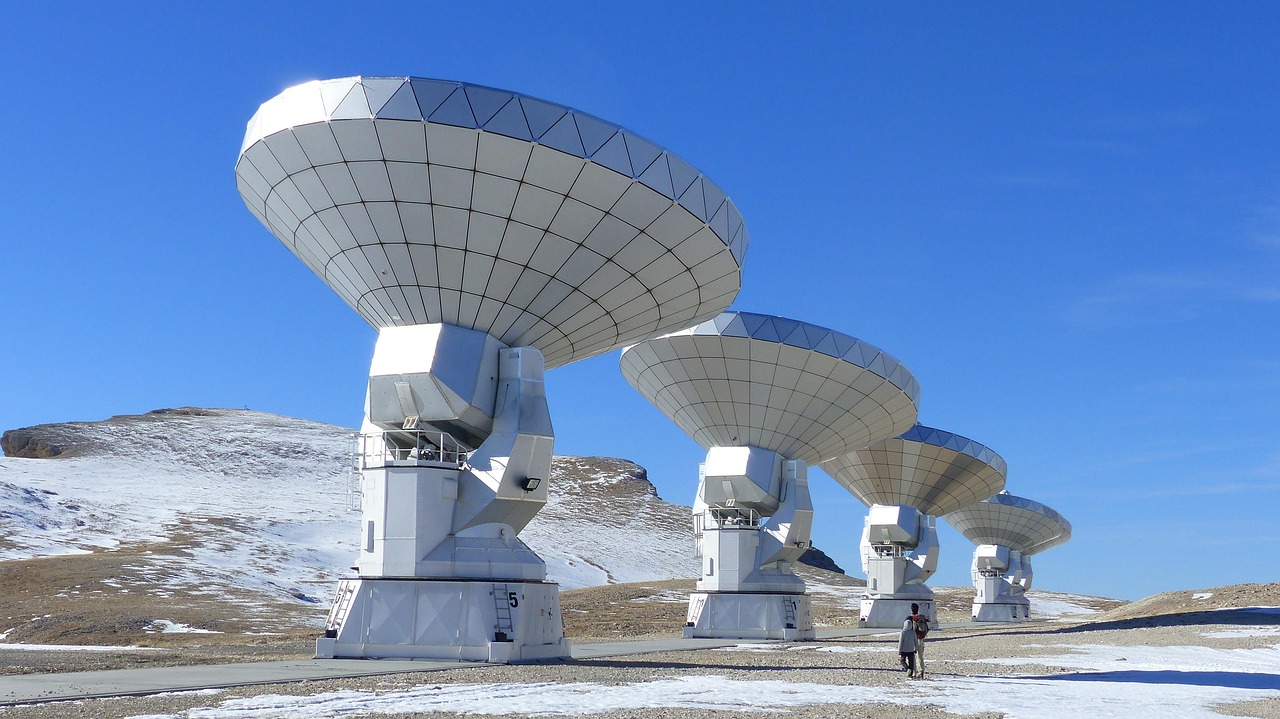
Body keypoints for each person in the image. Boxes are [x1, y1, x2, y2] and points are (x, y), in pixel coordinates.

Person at [910, 602, 932, 679]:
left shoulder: (912, 619)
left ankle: (913, 673)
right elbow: (927, 628)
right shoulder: (922, 618)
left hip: (914, 639)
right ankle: (921, 671)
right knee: (920, 656)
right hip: (921, 638)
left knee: (912, 655)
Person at [897, 613, 919, 677]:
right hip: (911, 650)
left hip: (904, 650)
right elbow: (916, 641)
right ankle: (910, 673)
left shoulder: (903, 632)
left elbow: (901, 642)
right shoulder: (913, 632)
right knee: (911, 662)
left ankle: (907, 668)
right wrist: (916, 649)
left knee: (902, 661)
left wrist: (899, 650)